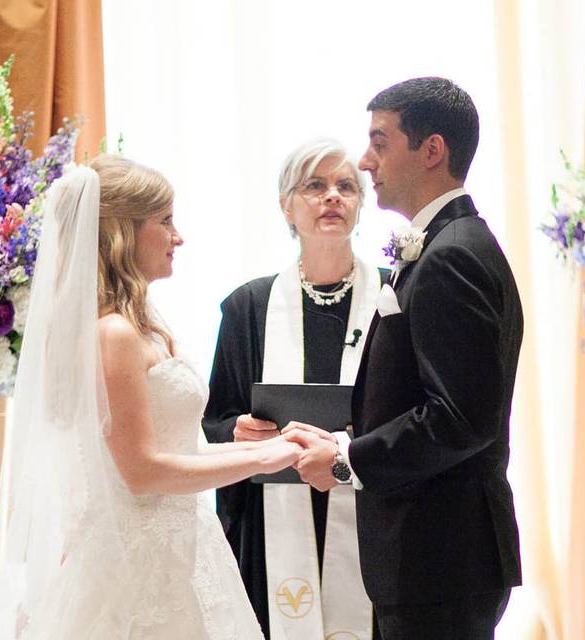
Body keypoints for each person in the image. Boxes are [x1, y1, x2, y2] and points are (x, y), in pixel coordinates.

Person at [0, 155, 303, 639]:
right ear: (123, 232)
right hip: (132, 565)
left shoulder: (146, 326)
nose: (179, 237)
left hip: (185, 550)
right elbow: (142, 471)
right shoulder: (113, 335)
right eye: (166, 221)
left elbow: (180, 449)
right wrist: (263, 460)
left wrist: (267, 446)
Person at [284, 78, 524, 640]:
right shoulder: (450, 243)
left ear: (432, 150)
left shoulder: (451, 257)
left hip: (440, 554)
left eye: (380, 142)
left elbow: (461, 419)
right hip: (441, 555)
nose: (366, 162)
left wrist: (348, 458)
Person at [203, 138, 388, 640]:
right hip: (276, 521)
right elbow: (214, 422)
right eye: (314, 186)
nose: (332, 197)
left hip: (373, 511)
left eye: (345, 186)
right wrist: (237, 431)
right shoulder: (248, 308)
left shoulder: (395, 296)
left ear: (359, 205)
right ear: (286, 206)